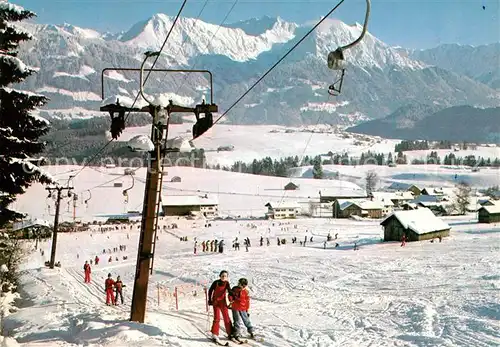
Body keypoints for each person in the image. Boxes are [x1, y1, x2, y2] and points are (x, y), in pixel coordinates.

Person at [208, 270, 233, 342]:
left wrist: (232, 294)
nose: (224, 277)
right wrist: (210, 300)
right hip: (216, 302)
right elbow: (210, 291)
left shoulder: (227, 283)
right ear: (220, 276)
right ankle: (214, 334)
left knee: (226, 317)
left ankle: (230, 333)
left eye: (225, 276)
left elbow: (229, 290)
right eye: (222, 276)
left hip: (223, 302)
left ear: (227, 277)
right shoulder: (216, 282)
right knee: (217, 318)